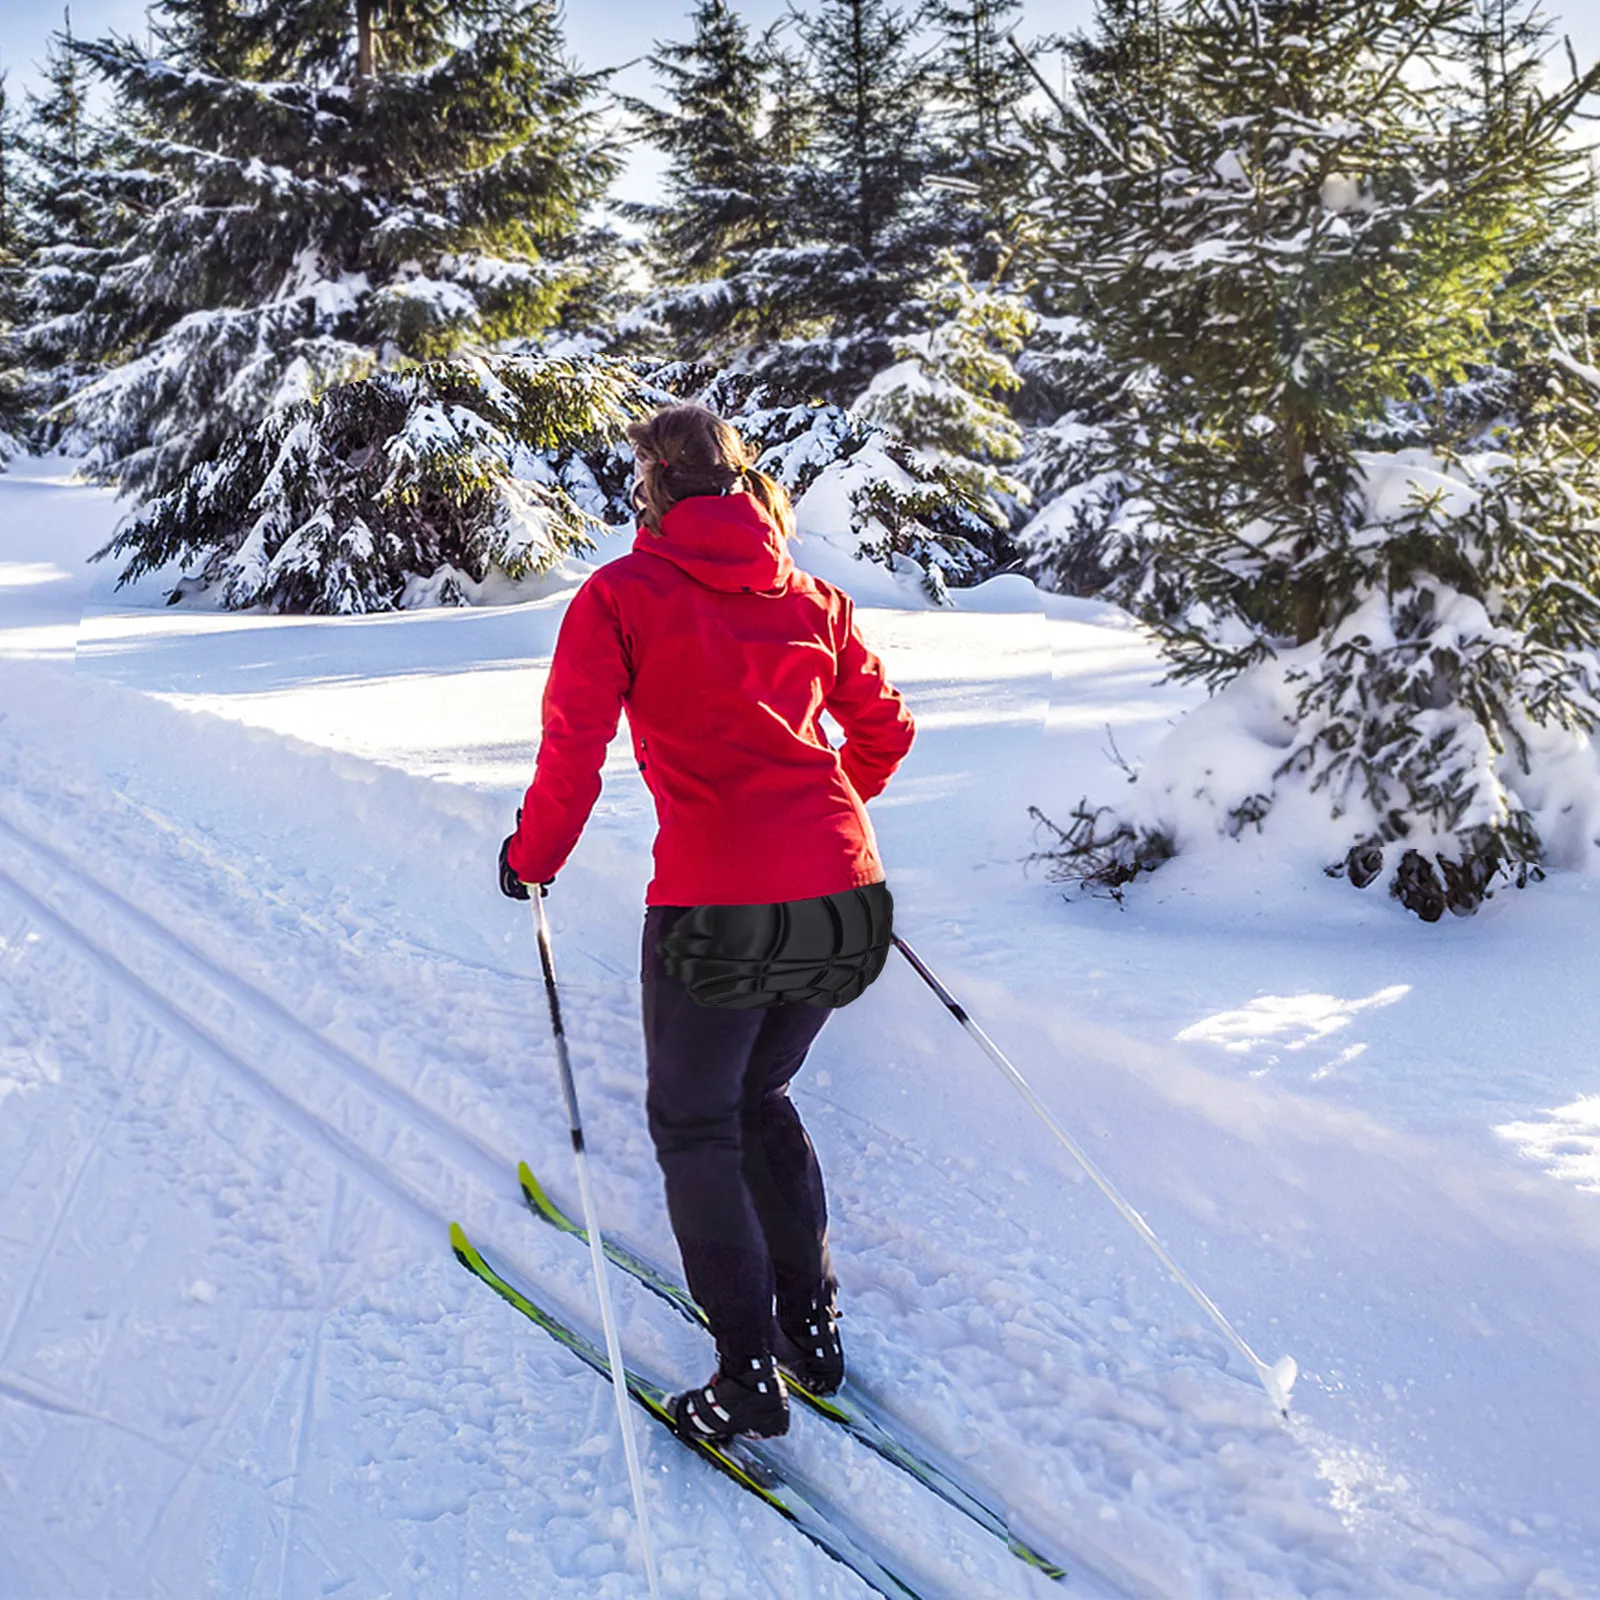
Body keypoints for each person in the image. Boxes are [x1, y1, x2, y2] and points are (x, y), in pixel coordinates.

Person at [498, 402, 915, 1444]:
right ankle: (807, 1330)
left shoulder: (622, 594)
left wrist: (529, 859)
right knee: (759, 1092)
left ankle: (743, 1375)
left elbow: (572, 753)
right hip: (840, 901)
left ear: (652, 485)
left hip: (717, 908)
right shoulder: (812, 595)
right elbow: (883, 732)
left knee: (696, 1125)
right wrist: (820, 822)